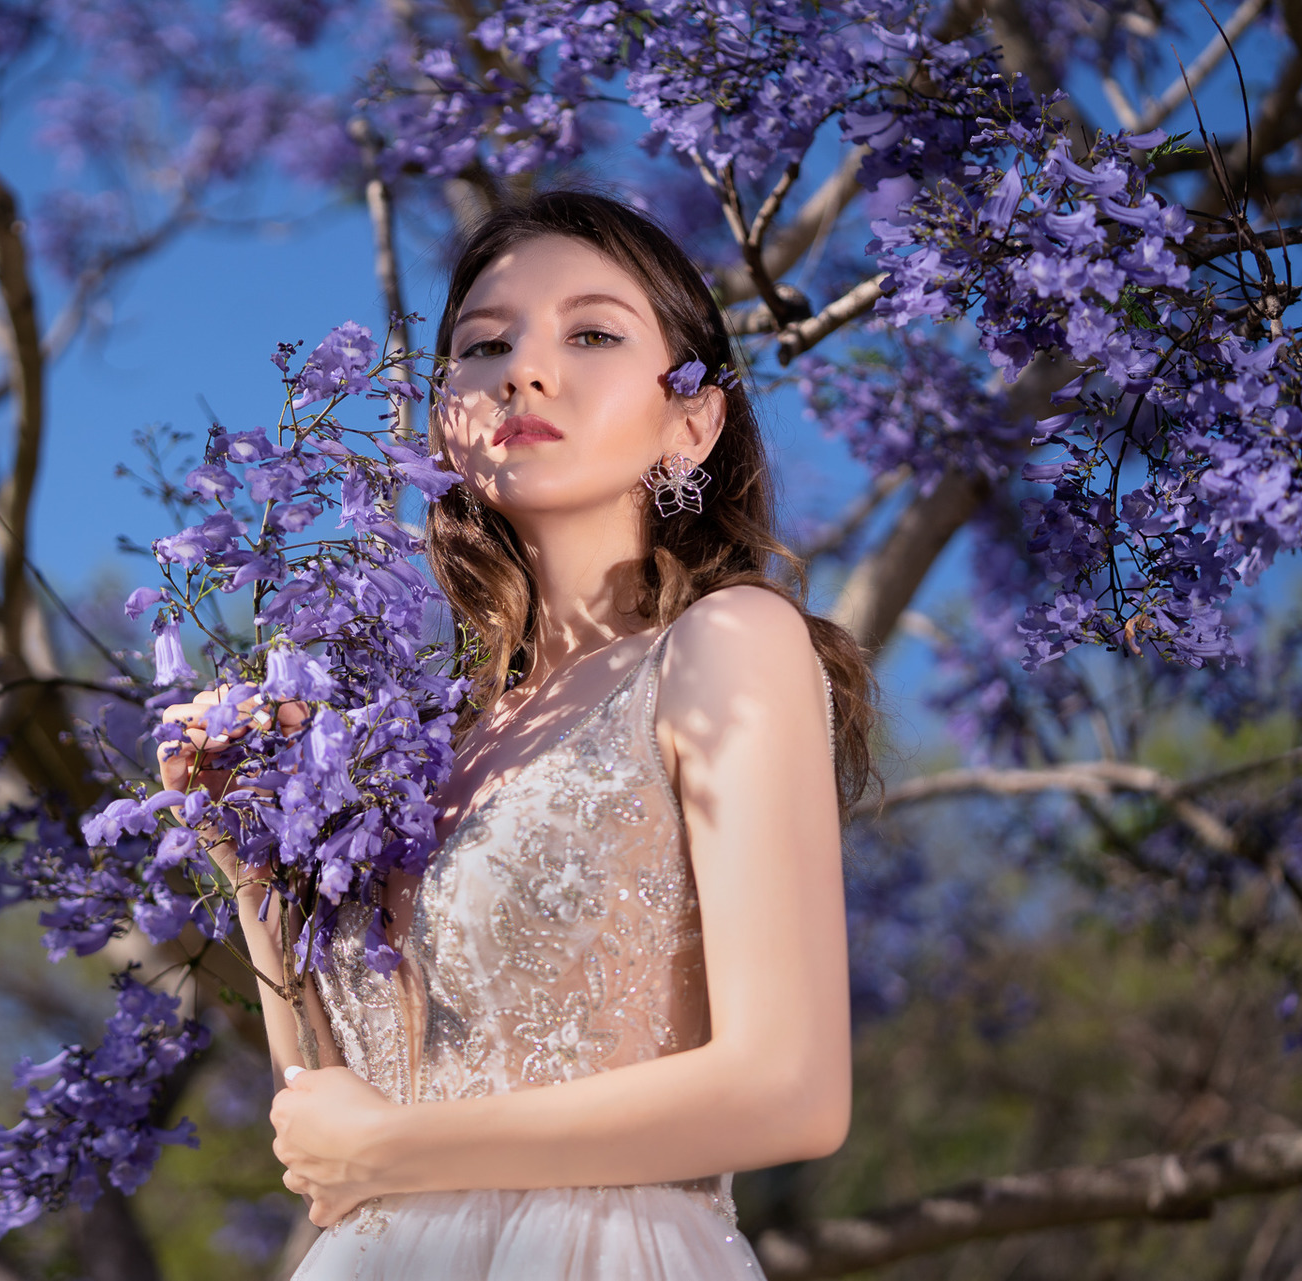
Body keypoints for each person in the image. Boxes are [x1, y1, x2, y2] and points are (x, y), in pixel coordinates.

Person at [160, 188, 877, 1279]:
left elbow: (791, 1089)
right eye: (483, 346)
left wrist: (397, 1148)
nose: (523, 372)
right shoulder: (410, 744)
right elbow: (322, 1138)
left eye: (591, 333)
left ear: (695, 419)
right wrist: (250, 860)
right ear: (445, 417)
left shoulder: (724, 644)